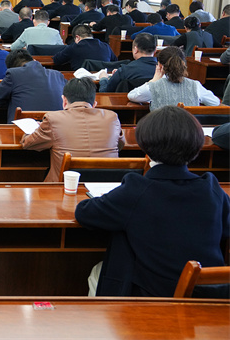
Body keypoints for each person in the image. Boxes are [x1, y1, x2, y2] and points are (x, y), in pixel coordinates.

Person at [75, 106, 230, 297]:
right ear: (196, 145)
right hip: (210, 296)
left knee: (97, 273)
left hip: (155, 295)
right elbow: (225, 229)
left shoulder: (136, 190)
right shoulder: (211, 189)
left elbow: (84, 213)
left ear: (145, 144)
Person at [21, 77, 125, 182]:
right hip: (106, 185)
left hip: (66, 185)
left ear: (64, 101)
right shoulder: (112, 117)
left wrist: (34, 129)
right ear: (94, 104)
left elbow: (28, 144)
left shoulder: (53, 119)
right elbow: (120, 145)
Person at [128, 46, 220, 110]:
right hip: (189, 131)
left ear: (160, 65)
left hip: (161, 130)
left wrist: (153, 80)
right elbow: (215, 102)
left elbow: (132, 96)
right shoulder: (195, 85)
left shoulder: (154, 87)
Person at [0, 49, 67, 123]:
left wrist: (13, 101)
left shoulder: (13, 73)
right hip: (58, 125)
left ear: (12, 67)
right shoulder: (58, 75)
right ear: (33, 60)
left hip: (23, 127)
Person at [52, 25, 117, 70]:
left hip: (82, 82)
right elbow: (114, 62)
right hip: (102, 79)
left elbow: (57, 60)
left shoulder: (74, 47)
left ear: (77, 37)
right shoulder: (106, 46)